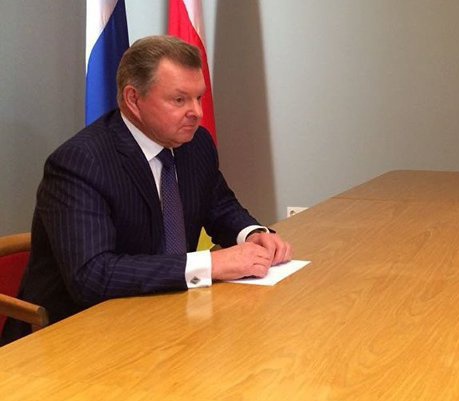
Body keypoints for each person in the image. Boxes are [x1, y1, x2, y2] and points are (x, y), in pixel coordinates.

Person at [2, 35, 292, 344]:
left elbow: (219, 205)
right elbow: (93, 276)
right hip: (77, 335)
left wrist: (251, 233)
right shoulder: (80, 162)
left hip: (169, 316)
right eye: (179, 100)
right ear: (133, 99)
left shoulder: (195, 144)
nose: (197, 112)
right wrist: (212, 264)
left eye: (198, 97)